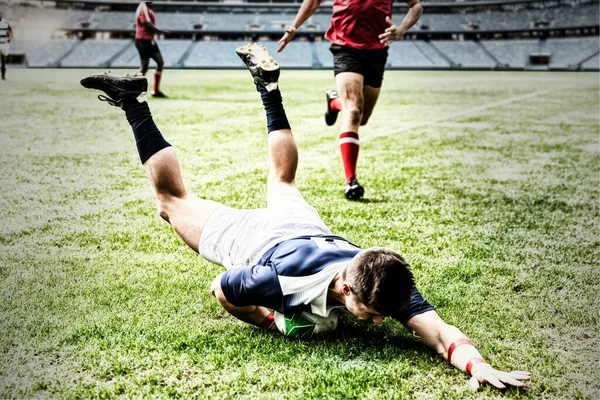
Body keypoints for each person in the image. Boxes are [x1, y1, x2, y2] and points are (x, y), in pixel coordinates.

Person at [80, 44, 530, 392]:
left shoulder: (382, 278)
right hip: (259, 243)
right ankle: (135, 102)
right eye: (369, 315)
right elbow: (222, 289)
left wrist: (479, 364)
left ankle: (270, 88)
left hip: (311, 233)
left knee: (284, 181)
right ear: (346, 287)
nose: (375, 323)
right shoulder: (280, 284)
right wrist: (271, 321)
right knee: (171, 201)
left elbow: (439, 334)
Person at [277, 0, 423, 200]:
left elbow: (416, 6)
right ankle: (350, 181)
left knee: (361, 118)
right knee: (353, 112)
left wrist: (401, 30)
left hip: (377, 50)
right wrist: (294, 27)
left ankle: (334, 103)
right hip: (345, 46)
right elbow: (312, 2)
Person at [135, 0, 168, 97]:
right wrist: (162, 32)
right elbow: (147, 25)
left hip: (149, 41)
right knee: (144, 67)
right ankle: (130, 87)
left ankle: (156, 91)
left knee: (160, 62)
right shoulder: (143, 7)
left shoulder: (147, 8)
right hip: (143, 41)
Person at [0, 9, 13, 81]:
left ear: (2, 15)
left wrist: (9, 40)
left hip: (3, 44)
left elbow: (10, 33)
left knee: (3, 61)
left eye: (0, 14)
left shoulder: (6, 22)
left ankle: (3, 76)